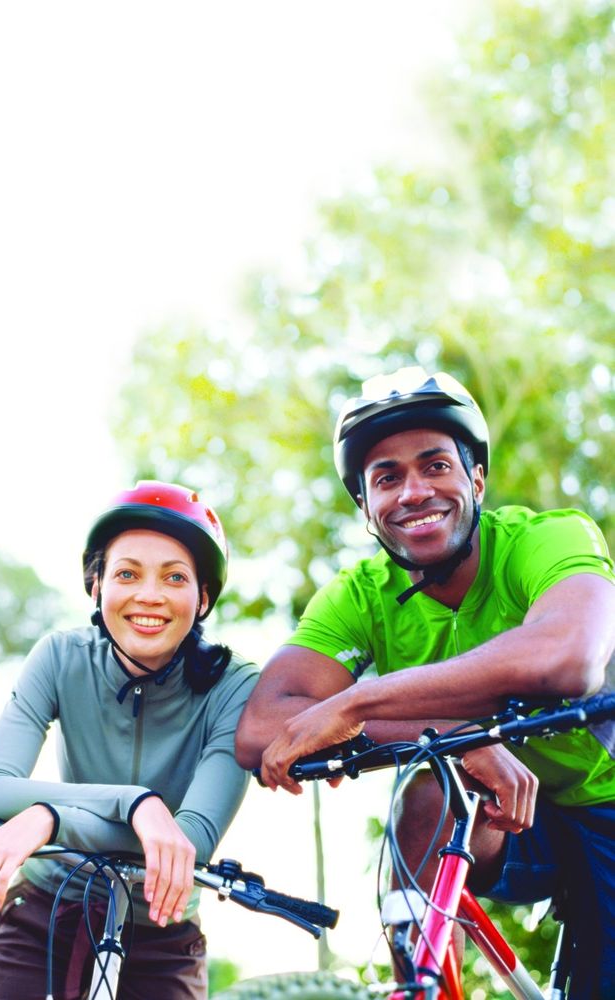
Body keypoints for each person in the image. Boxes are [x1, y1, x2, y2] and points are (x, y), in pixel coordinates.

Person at [235, 367, 615, 1000]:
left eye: (436, 466)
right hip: (506, 815)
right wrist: (455, 735)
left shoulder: (547, 537)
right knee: (429, 783)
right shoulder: (358, 596)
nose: (413, 492)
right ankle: (425, 986)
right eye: (386, 478)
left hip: (607, 800)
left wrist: (356, 702)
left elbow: (567, 656)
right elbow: (265, 726)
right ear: (364, 508)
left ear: (477, 479)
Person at [0, 481, 258, 1000]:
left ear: (202, 599)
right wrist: (135, 804)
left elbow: (191, 840)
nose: (149, 595)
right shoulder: (59, 657)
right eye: (127, 574)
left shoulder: (235, 684)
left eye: (174, 577)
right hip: (44, 910)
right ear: (97, 587)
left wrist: (50, 817)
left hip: (160, 926)